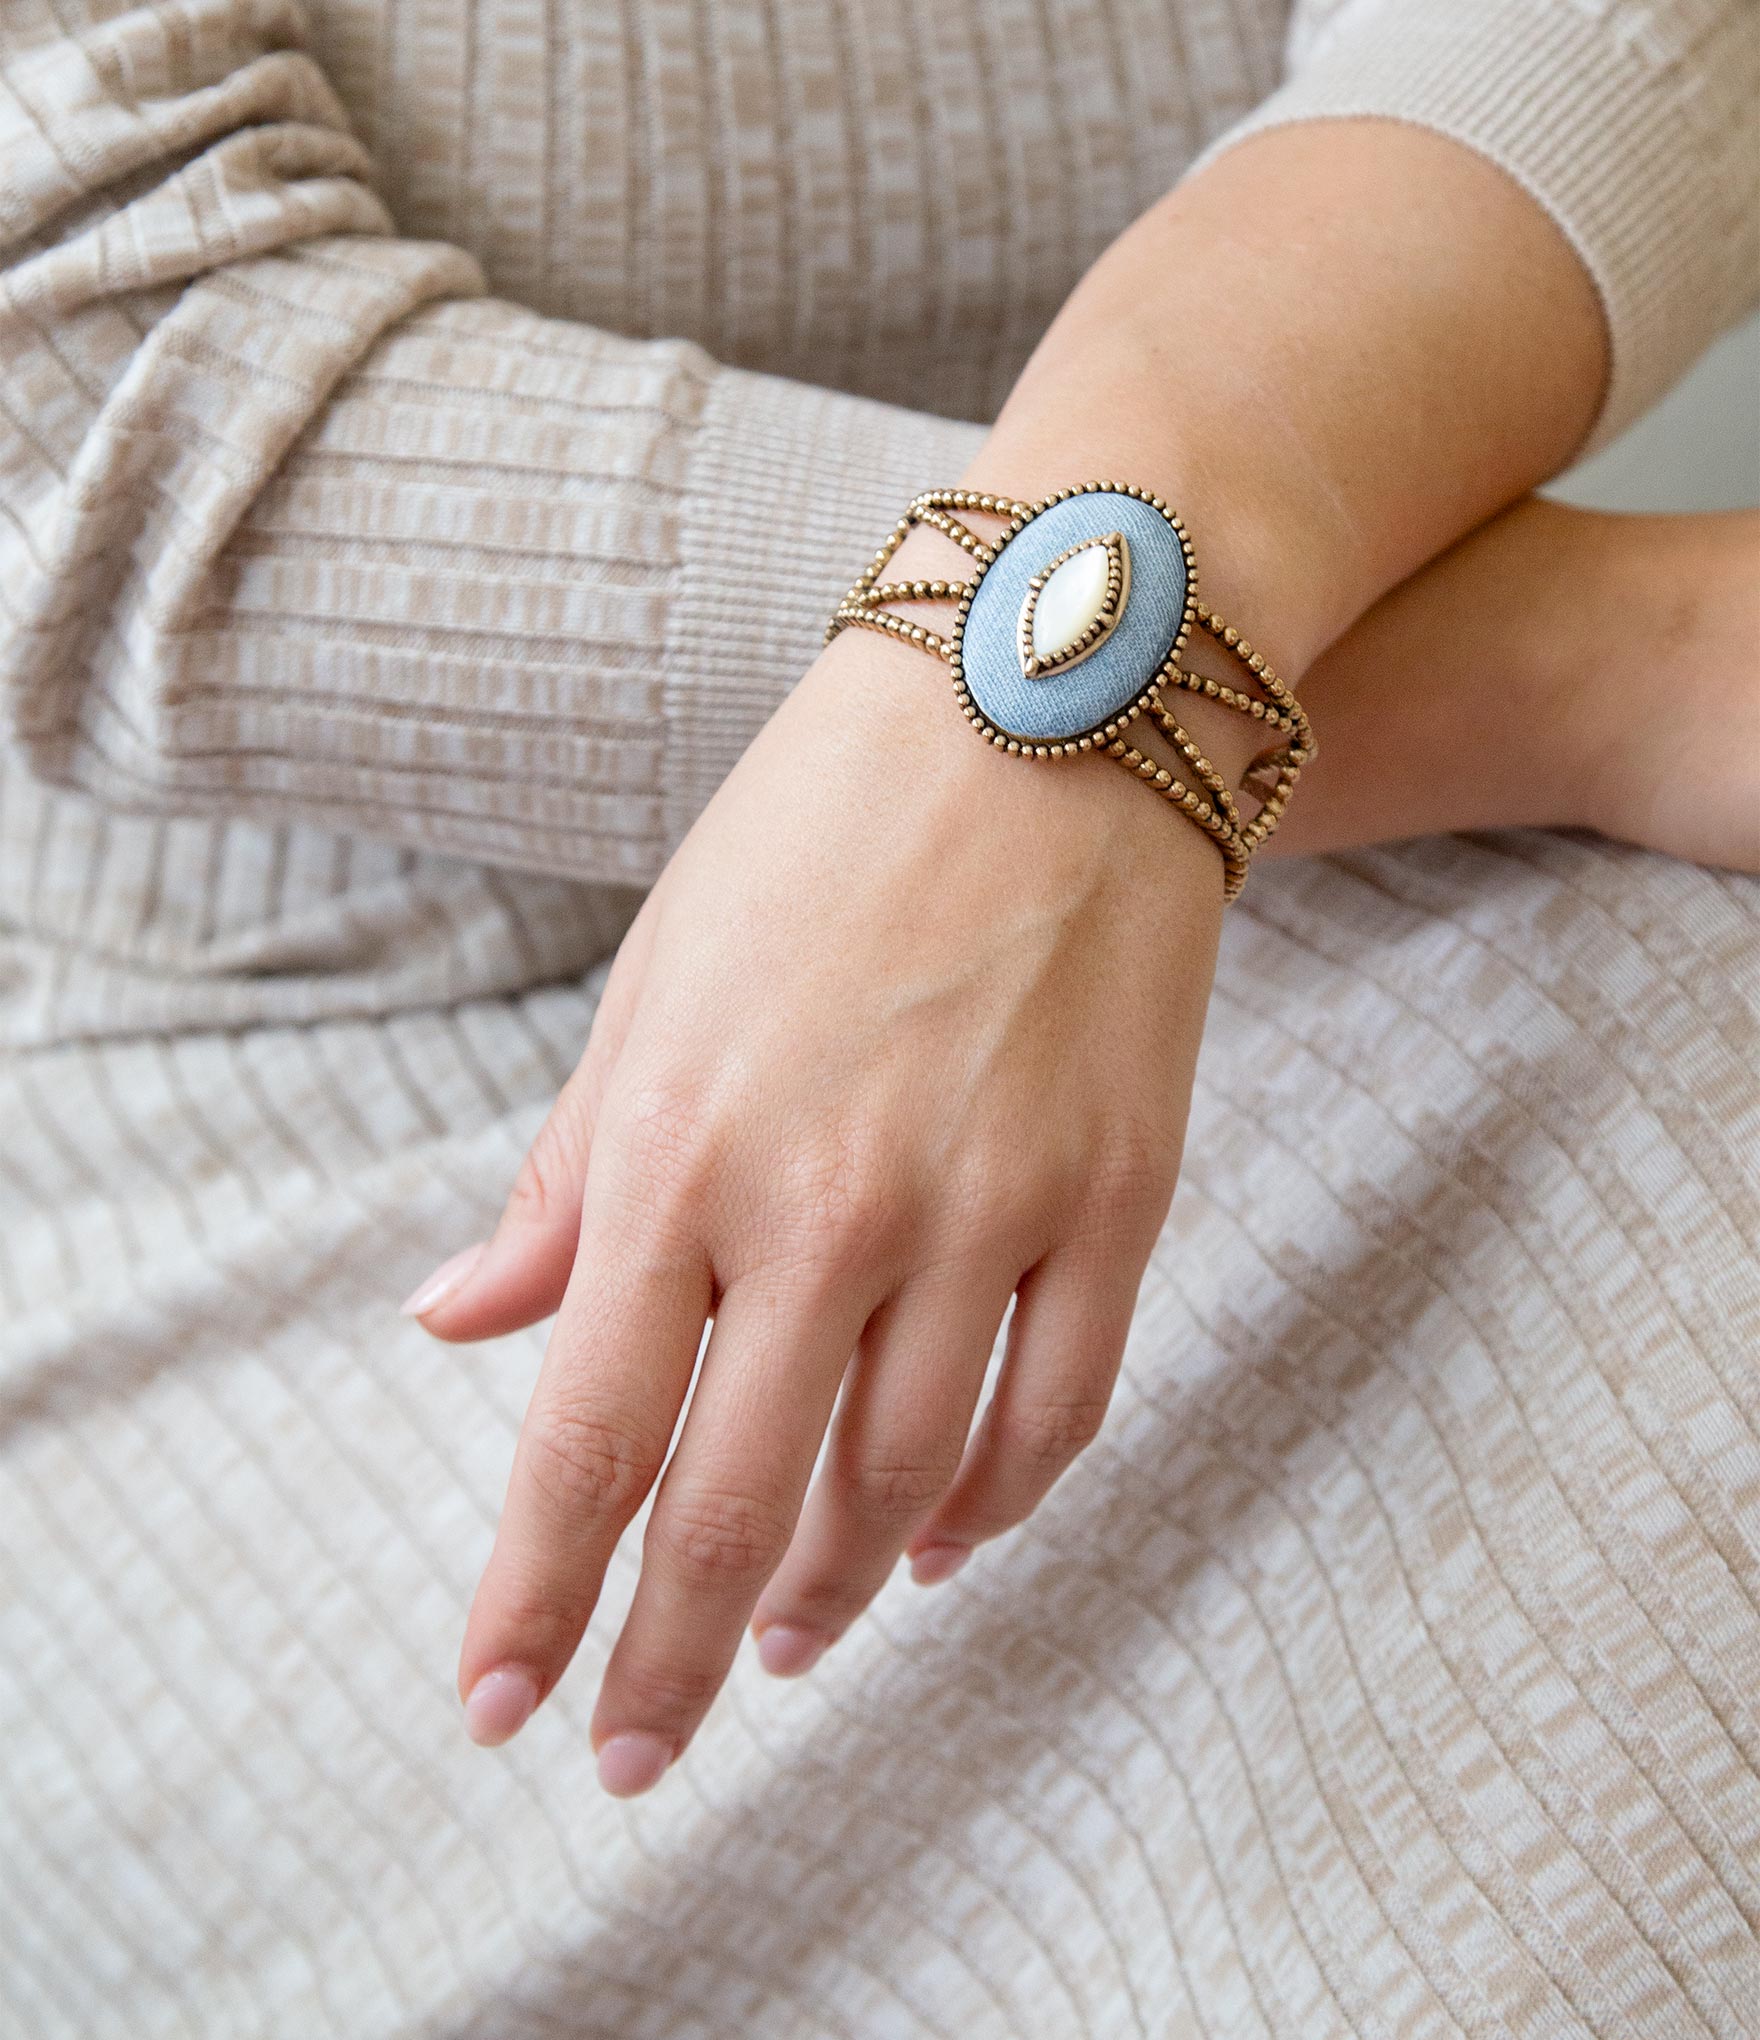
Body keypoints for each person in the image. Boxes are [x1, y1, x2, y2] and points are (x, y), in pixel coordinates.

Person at [2, 0, 1756, 2032]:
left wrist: (1157, 551)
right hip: (273, 1078)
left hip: (1270, 742)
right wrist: (1608, 659)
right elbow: (100, 402)